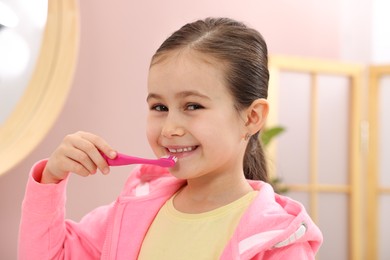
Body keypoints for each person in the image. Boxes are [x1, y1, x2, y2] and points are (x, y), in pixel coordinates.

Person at [18, 17, 322, 259]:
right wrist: (51, 180)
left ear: (252, 117)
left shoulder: (280, 242)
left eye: (193, 106)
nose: (170, 129)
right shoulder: (129, 213)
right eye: (159, 107)